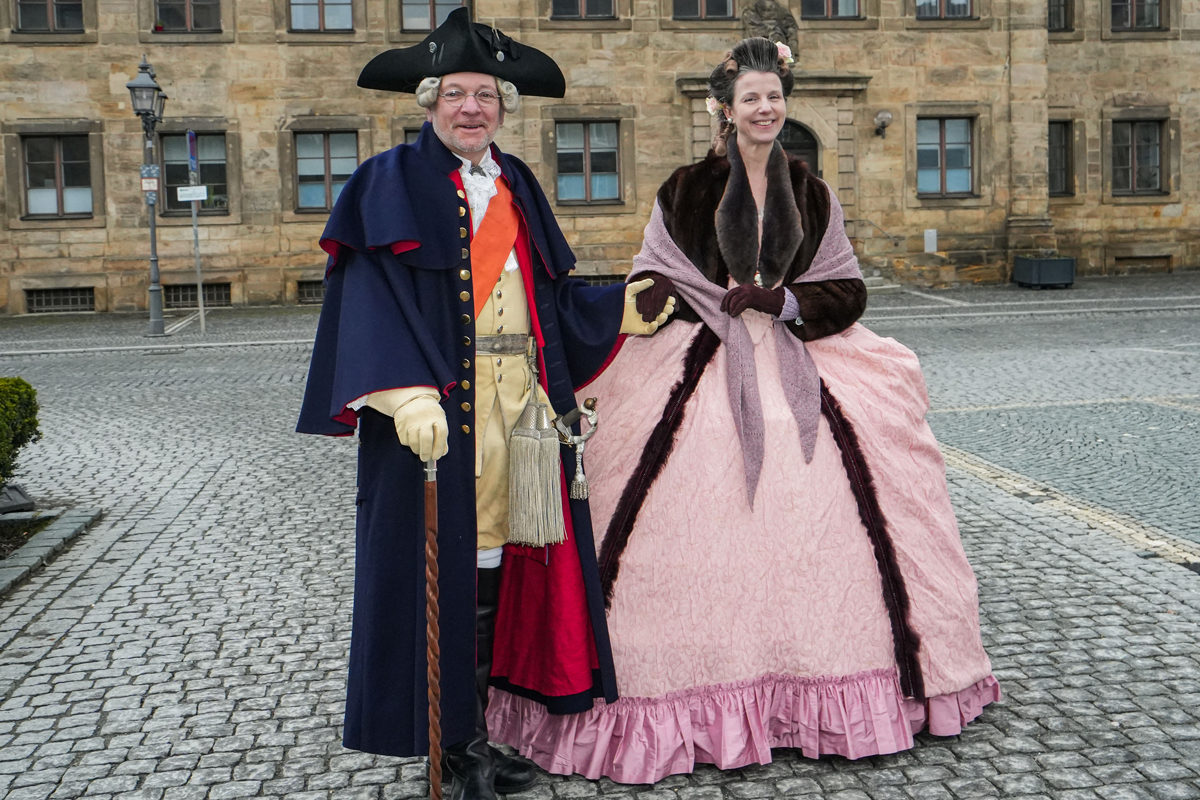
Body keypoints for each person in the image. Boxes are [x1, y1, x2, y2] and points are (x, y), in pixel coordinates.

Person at [486, 37, 1000, 783]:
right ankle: (672, 696)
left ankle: (826, 685)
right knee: (673, 495)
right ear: (724, 110)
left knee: (847, 498)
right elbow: (653, 274)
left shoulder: (812, 191)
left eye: (774, 97)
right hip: (700, 352)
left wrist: (784, 301)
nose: (765, 109)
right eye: (750, 98)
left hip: (798, 355)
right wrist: (685, 297)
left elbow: (846, 288)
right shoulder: (685, 189)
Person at [295, 10, 673, 800]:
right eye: (456, 94)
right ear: (429, 101)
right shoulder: (386, 181)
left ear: (504, 106)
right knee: (441, 576)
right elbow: (365, 300)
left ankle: (476, 738)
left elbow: (548, 298)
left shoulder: (516, 183)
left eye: (486, 96)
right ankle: (450, 750)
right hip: (435, 424)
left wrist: (618, 308)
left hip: (519, 418)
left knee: (497, 572)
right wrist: (403, 395)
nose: (472, 109)